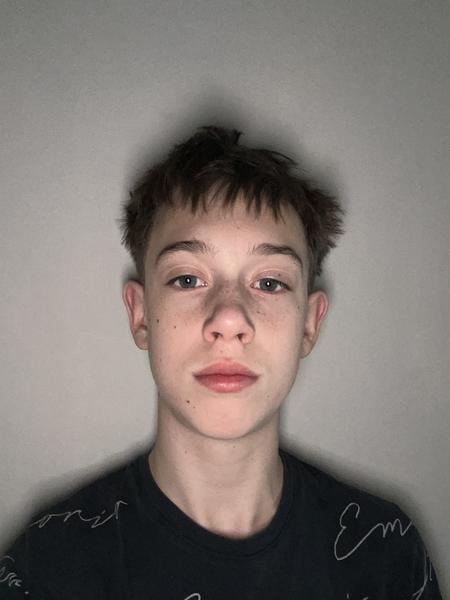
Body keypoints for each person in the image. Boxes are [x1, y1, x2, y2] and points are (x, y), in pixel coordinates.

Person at [0, 126, 442, 599]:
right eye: (188, 279)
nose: (229, 319)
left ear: (309, 324)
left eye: (269, 283)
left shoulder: (387, 555)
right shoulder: (47, 570)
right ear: (141, 314)